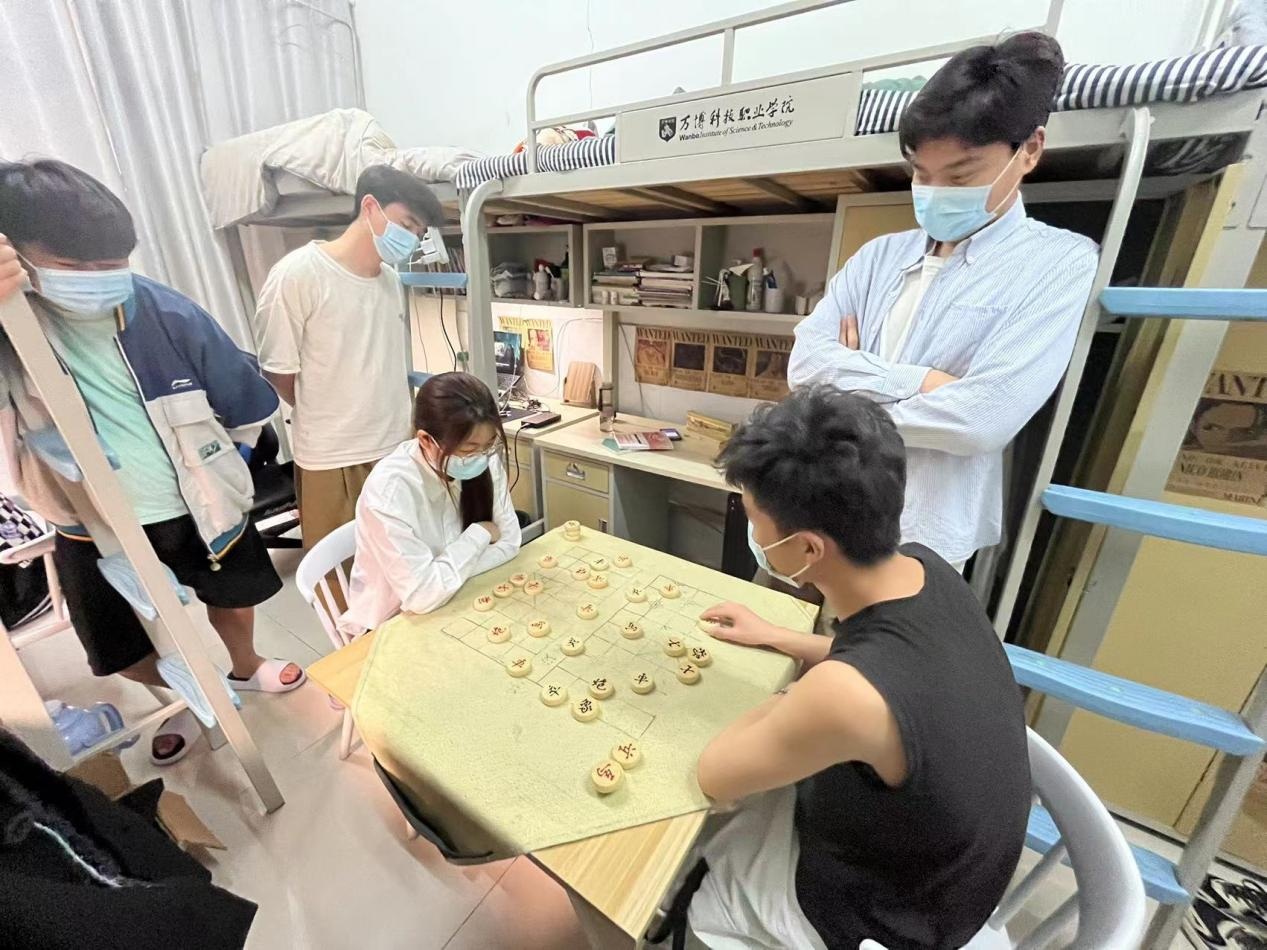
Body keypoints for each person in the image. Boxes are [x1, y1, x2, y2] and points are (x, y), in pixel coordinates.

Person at [686, 386, 1031, 949]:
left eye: (754, 520)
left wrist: (788, 701)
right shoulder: (927, 568)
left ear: (808, 550)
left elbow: (714, 774)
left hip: (890, 921)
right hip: (944, 875)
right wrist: (780, 637)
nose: (755, 536)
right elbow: (893, 668)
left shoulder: (844, 698)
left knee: (699, 853)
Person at [0, 160, 304, 766]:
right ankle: (192, 695)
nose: (103, 278)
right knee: (121, 639)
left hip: (197, 501)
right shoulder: (12, 329)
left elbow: (246, 401)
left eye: (114, 262)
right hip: (90, 523)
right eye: (79, 267)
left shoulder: (166, 312)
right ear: (20, 256)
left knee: (231, 591)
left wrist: (233, 463)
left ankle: (242, 667)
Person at [788, 33, 1099, 571]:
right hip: (829, 506)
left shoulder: (1059, 263)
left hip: (926, 531)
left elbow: (982, 419)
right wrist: (927, 381)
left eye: (961, 175)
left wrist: (847, 389)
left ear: (1029, 150)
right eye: (921, 174)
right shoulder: (879, 255)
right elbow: (804, 366)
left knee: (896, 627)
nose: (935, 192)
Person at [254, 164, 444, 555]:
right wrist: (330, 409)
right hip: (332, 456)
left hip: (394, 446)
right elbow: (278, 372)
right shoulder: (298, 275)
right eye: (406, 225)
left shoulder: (390, 282)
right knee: (340, 571)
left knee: (402, 563)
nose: (411, 239)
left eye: (419, 232)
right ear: (370, 207)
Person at [338, 372, 521, 638]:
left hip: (461, 597)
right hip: (394, 620)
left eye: (489, 444)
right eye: (468, 449)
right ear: (425, 440)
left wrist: (444, 577)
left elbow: (510, 543)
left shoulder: (485, 458)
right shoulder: (390, 491)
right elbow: (421, 597)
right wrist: (480, 534)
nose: (481, 456)